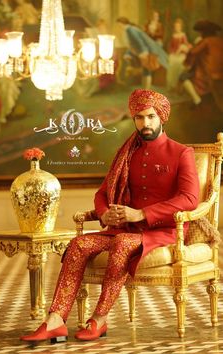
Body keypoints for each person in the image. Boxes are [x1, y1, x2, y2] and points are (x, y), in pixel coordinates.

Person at [20, 89, 199, 343]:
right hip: (123, 229)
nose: (144, 123)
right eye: (139, 117)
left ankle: (100, 319)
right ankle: (55, 321)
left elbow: (190, 199)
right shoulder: (127, 153)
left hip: (161, 231)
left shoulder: (181, 152)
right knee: (78, 244)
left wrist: (141, 214)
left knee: (122, 243)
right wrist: (106, 215)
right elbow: (103, 193)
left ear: (161, 117)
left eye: (150, 117)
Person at [181, 20, 223, 110]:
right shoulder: (220, 41)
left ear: (204, 32)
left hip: (207, 74)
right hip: (220, 72)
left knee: (183, 77)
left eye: (200, 32)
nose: (199, 34)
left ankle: (197, 101)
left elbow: (192, 54)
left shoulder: (205, 42)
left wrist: (187, 63)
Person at [116, 17, 168, 89]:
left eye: (119, 25)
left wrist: (144, 52)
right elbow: (132, 44)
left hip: (146, 51)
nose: (119, 27)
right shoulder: (130, 29)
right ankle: (145, 89)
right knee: (146, 70)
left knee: (147, 70)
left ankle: (146, 90)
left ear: (122, 24)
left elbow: (139, 41)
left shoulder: (130, 30)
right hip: (144, 51)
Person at [166, 18, 192, 91]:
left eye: (178, 26)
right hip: (174, 54)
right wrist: (172, 52)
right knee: (171, 64)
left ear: (180, 27)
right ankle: (171, 85)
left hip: (181, 54)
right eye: (175, 27)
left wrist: (184, 48)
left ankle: (178, 86)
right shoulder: (173, 35)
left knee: (180, 64)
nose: (176, 28)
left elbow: (186, 44)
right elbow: (170, 47)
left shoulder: (183, 35)